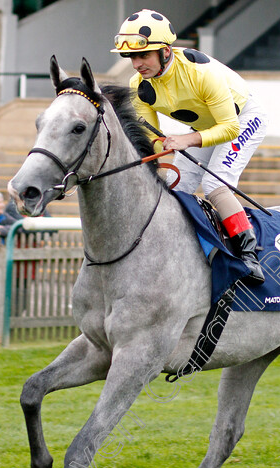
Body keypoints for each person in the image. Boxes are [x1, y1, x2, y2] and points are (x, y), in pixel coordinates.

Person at [112, 9, 266, 284]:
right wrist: (157, 148)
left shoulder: (201, 73)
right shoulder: (139, 85)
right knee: (172, 187)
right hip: (206, 128)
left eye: (143, 55)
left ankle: (248, 255)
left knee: (215, 184)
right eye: (132, 57)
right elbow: (152, 138)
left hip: (243, 119)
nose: (137, 64)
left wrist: (184, 140)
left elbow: (229, 128)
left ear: (166, 51)